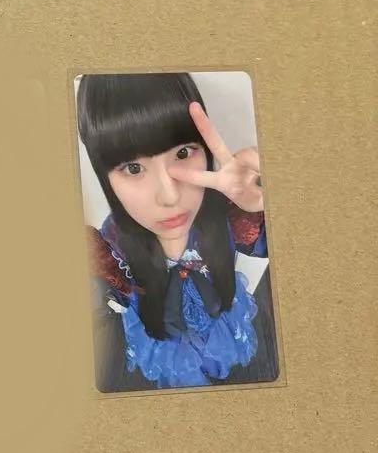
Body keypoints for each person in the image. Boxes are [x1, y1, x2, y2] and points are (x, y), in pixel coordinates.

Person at [77, 73, 277, 391]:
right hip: (162, 340)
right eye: (133, 168)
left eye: (183, 153)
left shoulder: (228, 211)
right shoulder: (111, 248)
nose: (170, 197)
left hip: (221, 324)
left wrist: (275, 200)